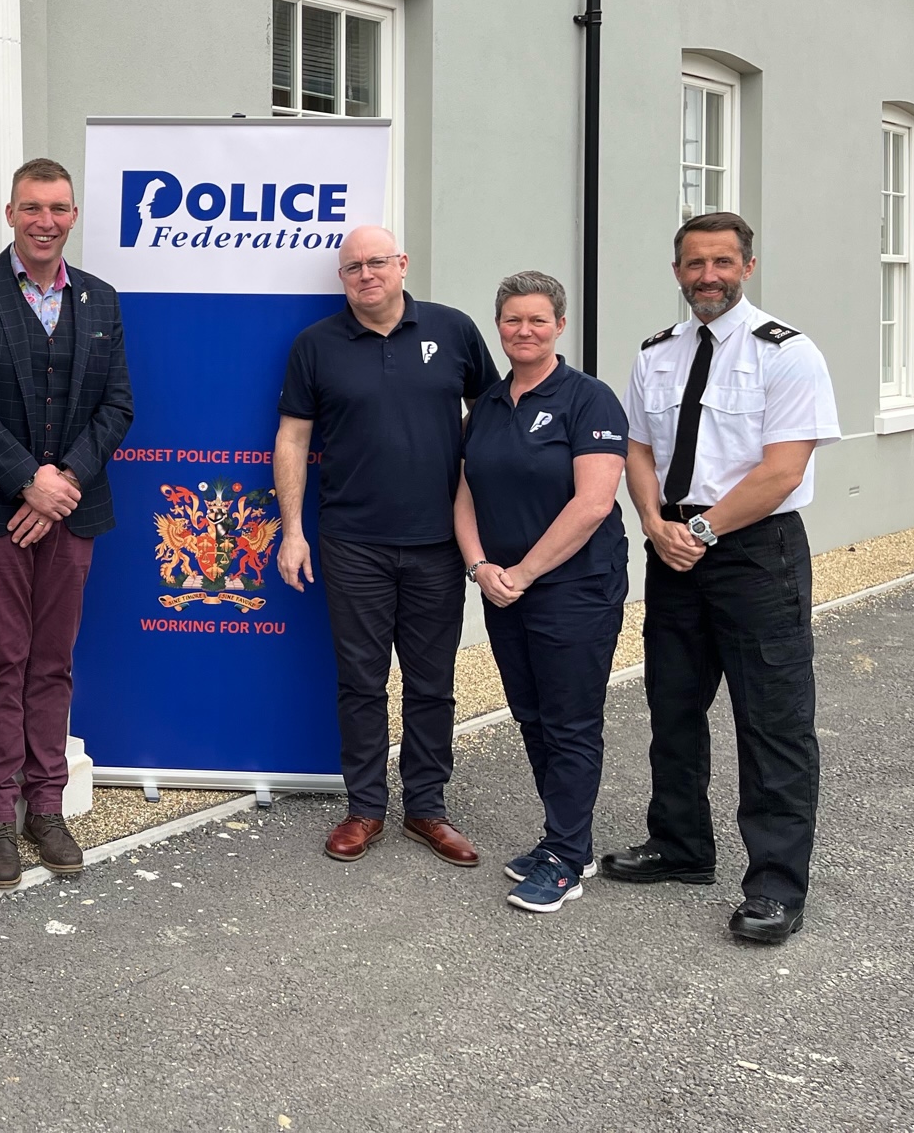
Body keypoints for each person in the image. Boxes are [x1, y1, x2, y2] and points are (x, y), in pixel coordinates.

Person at [602, 212, 839, 944]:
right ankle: (680, 845)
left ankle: (775, 885)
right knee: (673, 707)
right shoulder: (657, 353)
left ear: (747, 267)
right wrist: (653, 522)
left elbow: (783, 470)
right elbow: (639, 449)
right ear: (678, 272)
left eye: (722, 262)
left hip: (754, 553)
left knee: (772, 721)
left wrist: (700, 531)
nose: (708, 276)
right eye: (695, 264)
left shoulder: (788, 353)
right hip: (672, 549)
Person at [0, 158, 134, 890]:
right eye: (32, 207)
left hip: (71, 511)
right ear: (10, 213)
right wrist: (28, 480)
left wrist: (64, 481)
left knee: (52, 661)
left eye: (58, 208)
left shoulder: (101, 299)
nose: (45, 221)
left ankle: (45, 806)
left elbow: (118, 405)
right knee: (1, 660)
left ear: (73, 215)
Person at [275, 225, 498, 868]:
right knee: (361, 682)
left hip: (438, 542)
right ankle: (365, 809)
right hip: (352, 543)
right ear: (341, 278)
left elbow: (492, 413)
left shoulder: (453, 330)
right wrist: (293, 531)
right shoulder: (316, 345)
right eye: (353, 267)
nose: (366, 274)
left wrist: (481, 503)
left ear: (402, 264)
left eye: (377, 262)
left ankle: (427, 808)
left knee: (432, 683)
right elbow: (292, 438)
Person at [453, 272, 629, 915]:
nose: (523, 331)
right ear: (498, 326)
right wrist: (480, 567)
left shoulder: (590, 399)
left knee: (570, 721)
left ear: (559, 325)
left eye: (536, 320)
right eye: (511, 320)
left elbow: (593, 503)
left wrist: (522, 574)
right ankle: (563, 840)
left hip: (574, 589)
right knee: (531, 715)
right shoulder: (488, 405)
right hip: (503, 589)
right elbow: (464, 492)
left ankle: (566, 858)